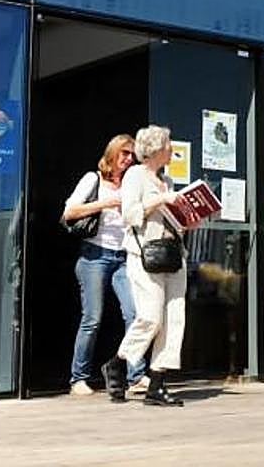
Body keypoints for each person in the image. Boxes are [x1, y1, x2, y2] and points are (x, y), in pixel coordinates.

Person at [101, 124, 187, 407]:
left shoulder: (168, 180)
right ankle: (118, 362)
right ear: (156, 148)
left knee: (174, 320)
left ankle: (157, 383)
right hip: (145, 255)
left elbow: (171, 220)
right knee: (150, 317)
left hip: (173, 254)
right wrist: (161, 199)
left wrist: (188, 218)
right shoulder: (136, 175)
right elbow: (130, 214)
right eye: (168, 142)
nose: (172, 147)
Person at [62, 134, 148, 396]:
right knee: (93, 318)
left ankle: (136, 375)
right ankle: (78, 378)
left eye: (131, 155)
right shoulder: (94, 179)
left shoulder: (133, 184)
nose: (128, 159)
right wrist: (106, 202)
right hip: (94, 256)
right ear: (111, 153)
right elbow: (68, 213)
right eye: (123, 153)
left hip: (124, 256)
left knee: (135, 315)